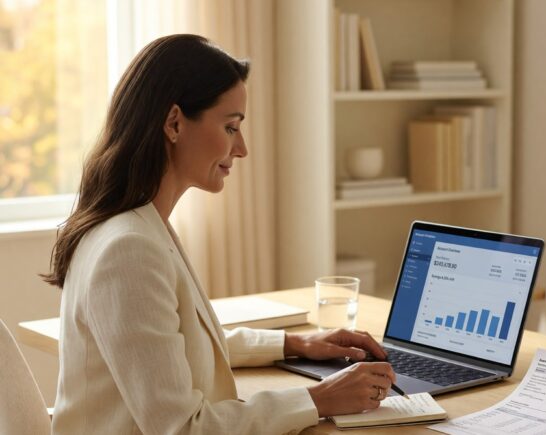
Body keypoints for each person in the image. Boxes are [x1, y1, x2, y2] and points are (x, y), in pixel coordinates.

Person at [42, 34, 396, 434]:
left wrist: (296, 345)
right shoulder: (129, 249)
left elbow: (178, 345)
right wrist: (319, 399)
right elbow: (184, 428)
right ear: (174, 123)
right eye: (231, 127)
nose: (242, 148)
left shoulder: (135, 226)